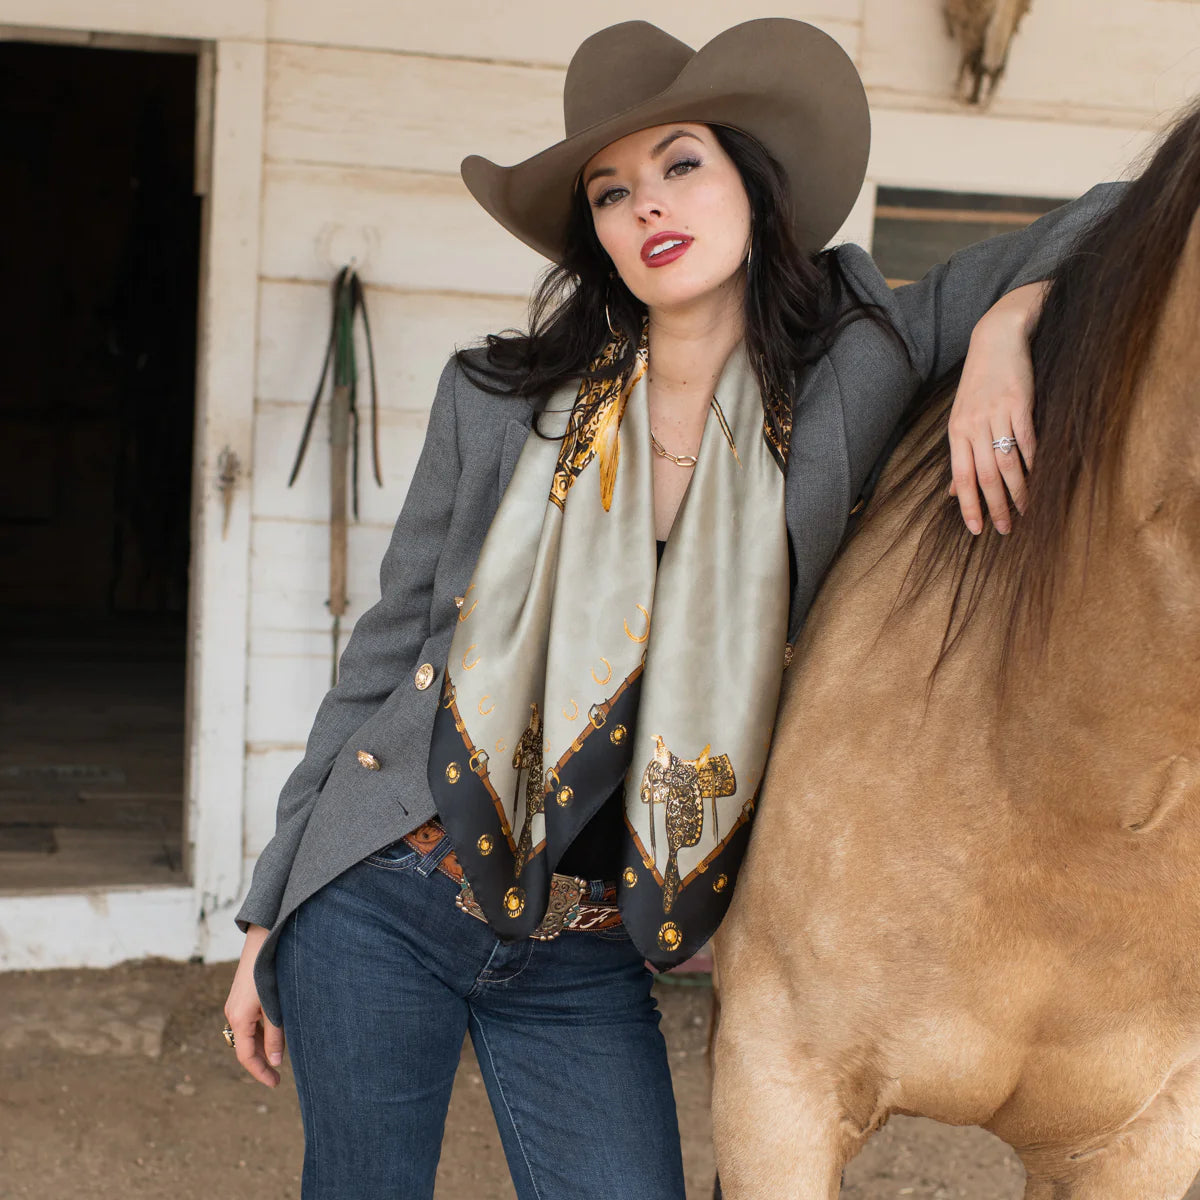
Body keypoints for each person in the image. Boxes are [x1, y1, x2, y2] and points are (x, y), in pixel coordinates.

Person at [223, 17, 1120, 1199]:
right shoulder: (497, 399)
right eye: (611, 192)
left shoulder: (857, 370)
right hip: (388, 887)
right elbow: (384, 649)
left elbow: (1128, 208)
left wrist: (1014, 323)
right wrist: (263, 919)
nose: (647, 207)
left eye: (680, 164)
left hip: (584, 953)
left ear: (754, 181)